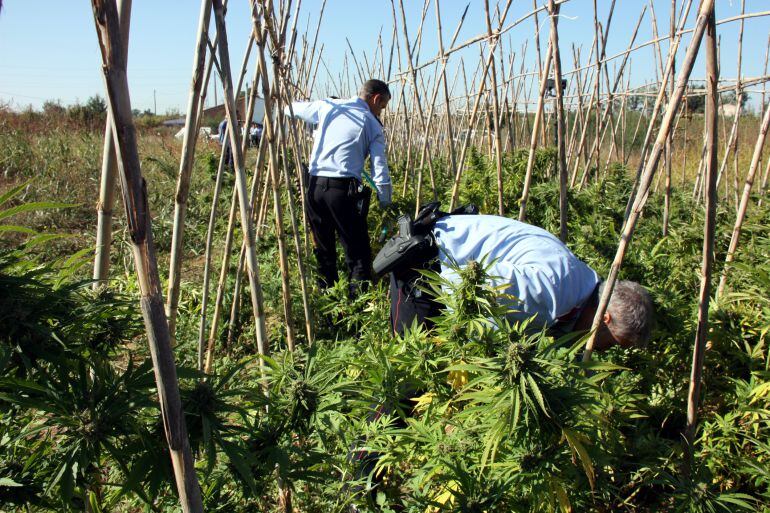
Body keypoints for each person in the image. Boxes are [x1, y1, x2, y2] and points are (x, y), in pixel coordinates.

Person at [388, 214, 654, 351]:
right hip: (427, 266)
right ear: (604, 319)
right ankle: (363, 455)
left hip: (444, 260)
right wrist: (473, 351)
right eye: (610, 344)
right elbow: (472, 284)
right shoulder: (549, 289)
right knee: (409, 375)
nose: (600, 351)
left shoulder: (578, 288)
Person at [285, 79, 393, 294]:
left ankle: (329, 304)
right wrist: (385, 200)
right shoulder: (371, 124)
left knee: (324, 250)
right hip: (342, 191)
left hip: (314, 188)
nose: (380, 112)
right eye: (382, 106)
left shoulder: (328, 106)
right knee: (357, 252)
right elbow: (378, 167)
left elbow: (291, 109)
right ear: (376, 98)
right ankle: (356, 309)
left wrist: (280, 103)